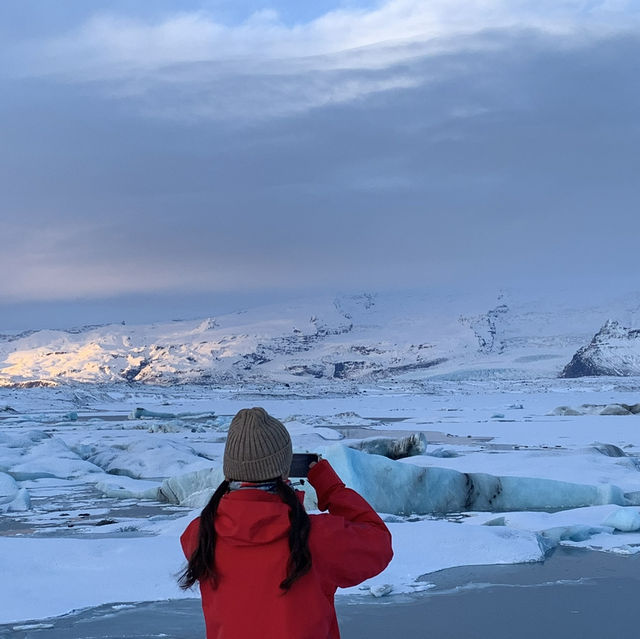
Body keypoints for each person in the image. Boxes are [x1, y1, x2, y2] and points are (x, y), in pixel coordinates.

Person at [179, 406, 393, 639]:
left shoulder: (201, 534)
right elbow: (378, 542)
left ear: (229, 472)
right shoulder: (314, 538)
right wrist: (330, 486)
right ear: (283, 470)